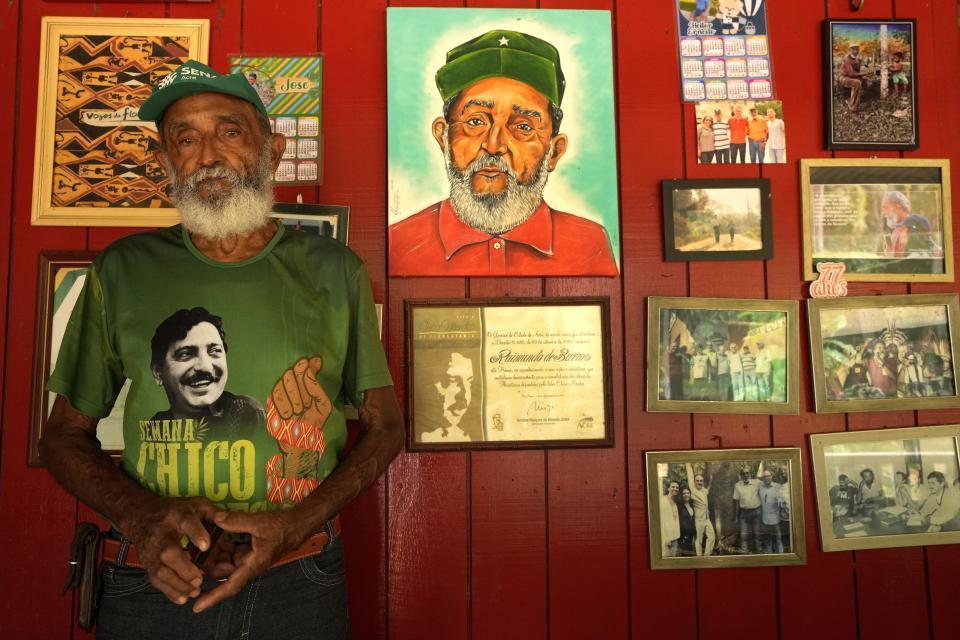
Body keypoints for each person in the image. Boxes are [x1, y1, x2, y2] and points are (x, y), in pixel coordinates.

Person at [38, 60, 404, 638]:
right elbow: (62, 436)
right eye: (185, 138)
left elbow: (386, 427)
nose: (207, 155)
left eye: (229, 132)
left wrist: (295, 521)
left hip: (298, 575)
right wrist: (143, 517)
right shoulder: (124, 270)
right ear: (165, 164)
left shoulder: (334, 272)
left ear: (273, 150)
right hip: (155, 577)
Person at [389, 30, 618, 276]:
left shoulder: (589, 244)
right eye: (476, 122)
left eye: (523, 127)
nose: (494, 145)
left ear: (554, 151)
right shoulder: (400, 243)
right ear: (444, 136)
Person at [417, 351, 477, 442]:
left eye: (469, 382)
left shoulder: (465, 438)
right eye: (453, 381)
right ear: (436, 385)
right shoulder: (423, 436)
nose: (464, 395)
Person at [881, 190, 937, 258]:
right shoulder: (897, 228)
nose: (883, 213)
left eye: (885, 207)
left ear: (897, 207)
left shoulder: (913, 225)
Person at [686, 463, 716, 556]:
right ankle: (699, 557)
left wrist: (710, 481)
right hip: (698, 520)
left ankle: (706, 556)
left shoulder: (703, 490)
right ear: (694, 482)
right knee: (698, 540)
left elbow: (708, 490)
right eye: (697, 481)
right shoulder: (693, 490)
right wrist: (688, 464)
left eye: (701, 481)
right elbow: (690, 474)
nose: (699, 482)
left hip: (707, 519)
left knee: (712, 537)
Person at [732, 466, 762, 553]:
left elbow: (766, 484)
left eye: (747, 473)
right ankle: (744, 552)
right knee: (744, 534)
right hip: (744, 513)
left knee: (757, 533)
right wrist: (736, 516)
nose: (745, 475)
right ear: (741, 475)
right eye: (743, 473)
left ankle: (758, 552)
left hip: (756, 512)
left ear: (750, 474)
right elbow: (736, 501)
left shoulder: (757, 482)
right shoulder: (737, 485)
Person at [838, 43, 874, 113]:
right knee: (857, 83)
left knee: (868, 82)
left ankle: (851, 99)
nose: (856, 51)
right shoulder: (847, 59)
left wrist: (869, 69)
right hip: (844, 78)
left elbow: (865, 65)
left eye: (857, 49)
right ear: (850, 50)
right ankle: (853, 107)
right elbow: (851, 74)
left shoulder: (858, 58)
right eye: (853, 49)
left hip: (852, 77)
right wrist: (866, 73)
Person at [757, 469, 783, 553]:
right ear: (762, 478)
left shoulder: (778, 486)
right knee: (768, 539)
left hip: (776, 519)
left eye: (769, 476)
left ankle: (781, 556)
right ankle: (770, 555)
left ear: (772, 476)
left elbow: (784, 500)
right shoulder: (760, 487)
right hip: (765, 519)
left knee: (778, 539)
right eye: (765, 476)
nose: (767, 478)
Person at [660, 481, 681, 557]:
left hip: (675, 538)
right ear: (668, 488)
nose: (675, 489)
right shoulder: (662, 501)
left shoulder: (675, 503)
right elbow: (661, 521)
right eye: (673, 487)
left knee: (673, 560)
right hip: (665, 538)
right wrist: (665, 538)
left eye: (677, 487)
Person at [677, 486, 697, 556]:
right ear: (681, 495)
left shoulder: (692, 505)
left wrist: (695, 535)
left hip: (692, 537)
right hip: (683, 538)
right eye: (684, 493)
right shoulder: (679, 506)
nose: (686, 495)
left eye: (688, 493)